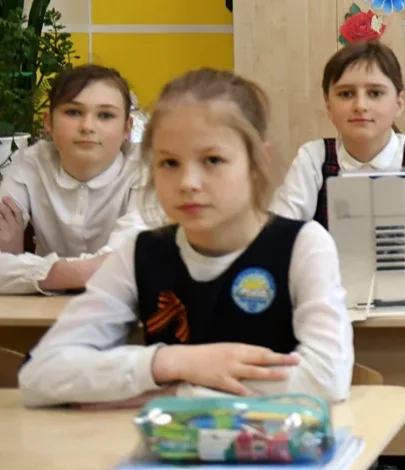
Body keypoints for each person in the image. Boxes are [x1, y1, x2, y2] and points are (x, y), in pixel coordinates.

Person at [19, 68, 354, 408]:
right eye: (169, 163)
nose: (188, 182)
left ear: (258, 162)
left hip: (278, 440)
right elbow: (39, 375)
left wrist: (175, 391)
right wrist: (172, 363)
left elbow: (325, 378)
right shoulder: (140, 253)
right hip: (168, 442)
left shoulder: (302, 245)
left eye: (213, 160)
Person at [271, 40, 405, 278]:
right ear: (328, 105)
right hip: (334, 300)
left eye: (375, 93)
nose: (360, 105)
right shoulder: (314, 159)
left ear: (399, 103)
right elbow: (275, 245)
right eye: (346, 94)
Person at [0, 65, 155, 295]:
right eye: (73, 112)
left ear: (127, 128)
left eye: (105, 115)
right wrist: (85, 271)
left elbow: (122, 268)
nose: (87, 127)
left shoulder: (147, 170)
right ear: (48, 122)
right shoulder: (31, 163)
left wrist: (16, 263)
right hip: (40, 310)